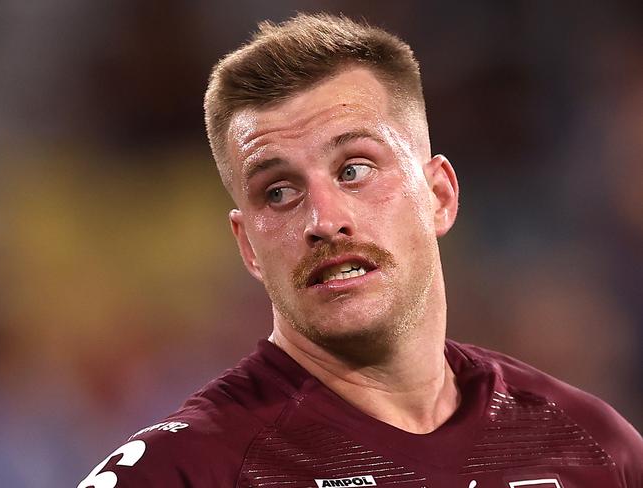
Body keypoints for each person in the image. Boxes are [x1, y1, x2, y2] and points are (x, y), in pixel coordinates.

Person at [77, 13, 642, 488]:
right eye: (278, 192)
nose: (324, 221)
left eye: (354, 169)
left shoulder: (595, 450)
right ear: (248, 246)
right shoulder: (184, 473)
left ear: (440, 196)